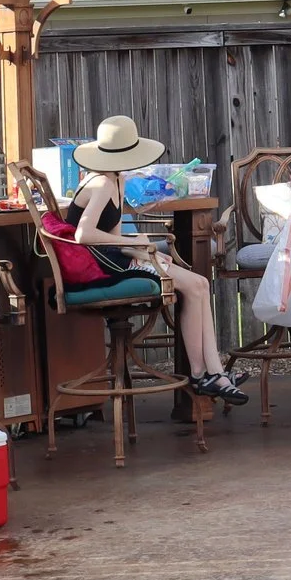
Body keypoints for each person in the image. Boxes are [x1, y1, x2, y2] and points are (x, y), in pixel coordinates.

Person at [67, 115, 248, 405]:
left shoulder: (117, 179)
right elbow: (83, 234)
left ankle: (209, 372)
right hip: (104, 267)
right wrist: (135, 244)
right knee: (195, 285)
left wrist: (143, 242)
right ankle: (208, 375)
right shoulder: (101, 183)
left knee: (200, 284)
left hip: (117, 258)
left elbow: (110, 231)